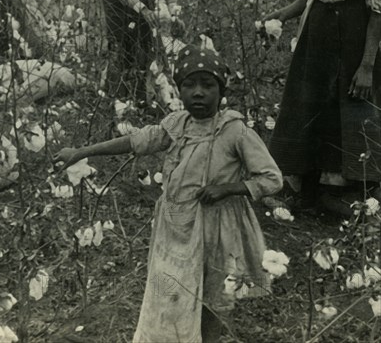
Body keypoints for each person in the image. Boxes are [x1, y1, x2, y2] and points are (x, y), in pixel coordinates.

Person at [54, 45, 283, 342]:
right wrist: (82, 152)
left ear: (221, 90)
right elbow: (136, 141)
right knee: (169, 291)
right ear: (179, 90)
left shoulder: (234, 131)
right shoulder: (176, 125)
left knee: (212, 295)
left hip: (217, 230)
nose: (198, 93)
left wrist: (228, 188)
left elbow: (272, 178)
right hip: (174, 227)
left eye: (208, 85)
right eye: (189, 85)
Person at [266, 0, 381, 212]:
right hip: (316, 32)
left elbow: (377, 10)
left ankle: (344, 186)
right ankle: (299, 180)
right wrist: (283, 14)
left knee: (349, 104)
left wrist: (366, 64)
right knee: (305, 101)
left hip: (353, 30)